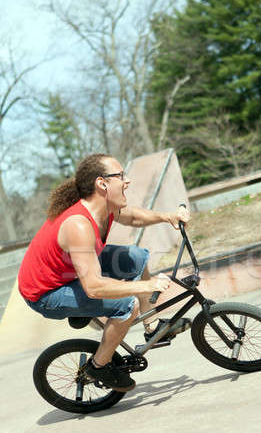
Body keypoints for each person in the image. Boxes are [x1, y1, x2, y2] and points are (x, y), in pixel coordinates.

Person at [18, 153, 190, 392]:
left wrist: (167, 216)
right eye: (120, 176)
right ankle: (98, 366)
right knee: (127, 305)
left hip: (72, 270)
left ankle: (153, 328)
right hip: (47, 293)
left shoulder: (105, 208)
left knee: (137, 257)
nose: (127, 180)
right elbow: (94, 286)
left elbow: (132, 216)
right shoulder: (78, 224)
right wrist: (145, 286)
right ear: (102, 183)